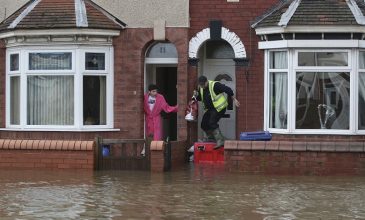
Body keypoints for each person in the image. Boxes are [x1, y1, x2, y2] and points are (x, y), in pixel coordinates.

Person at [194, 75, 240, 149]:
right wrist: (196, 95)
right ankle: (211, 138)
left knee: (212, 122)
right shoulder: (201, 88)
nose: (202, 86)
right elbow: (200, 98)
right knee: (204, 124)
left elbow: (228, 89)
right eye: (201, 85)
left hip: (220, 108)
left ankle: (220, 140)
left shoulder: (215, 85)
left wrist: (234, 99)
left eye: (203, 84)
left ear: (206, 81)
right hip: (210, 109)